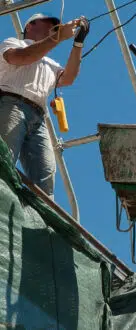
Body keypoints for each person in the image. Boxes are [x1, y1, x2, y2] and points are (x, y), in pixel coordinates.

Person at [0, 13, 89, 198]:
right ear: (29, 26)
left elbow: (69, 77)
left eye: (54, 27)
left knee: (45, 176)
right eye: (48, 24)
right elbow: (23, 57)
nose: (52, 29)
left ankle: (41, 222)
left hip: (38, 116)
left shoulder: (49, 63)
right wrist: (57, 37)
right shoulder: (13, 43)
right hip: (12, 105)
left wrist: (78, 43)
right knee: (4, 159)